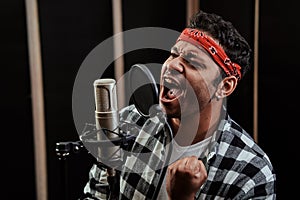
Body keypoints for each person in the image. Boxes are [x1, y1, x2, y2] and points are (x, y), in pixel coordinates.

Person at [80, 10, 276, 200]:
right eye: (173, 54)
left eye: (192, 62)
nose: (172, 65)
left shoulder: (250, 173)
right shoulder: (128, 122)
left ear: (224, 86)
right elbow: (96, 195)